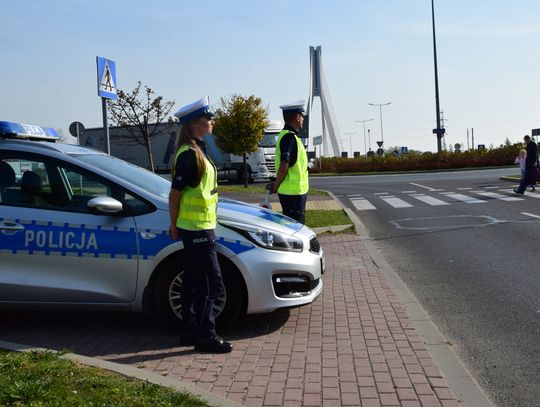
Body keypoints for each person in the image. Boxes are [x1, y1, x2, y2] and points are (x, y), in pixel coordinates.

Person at [168, 96, 232, 353]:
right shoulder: (190, 154)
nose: (212, 121)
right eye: (209, 118)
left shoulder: (198, 150)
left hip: (198, 227)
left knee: (195, 282)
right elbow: (175, 194)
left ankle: (189, 331)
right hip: (197, 230)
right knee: (211, 284)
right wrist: (173, 225)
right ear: (196, 123)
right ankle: (206, 335)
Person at [268, 100, 309, 223]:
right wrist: (276, 185)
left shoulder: (288, 136)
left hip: (293, 192)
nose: (303, 119)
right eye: (302, 116)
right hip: (293, 194)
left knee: (293, 227)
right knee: (296, 229)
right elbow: (284, 165)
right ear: (297, 117)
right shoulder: (289, 138)